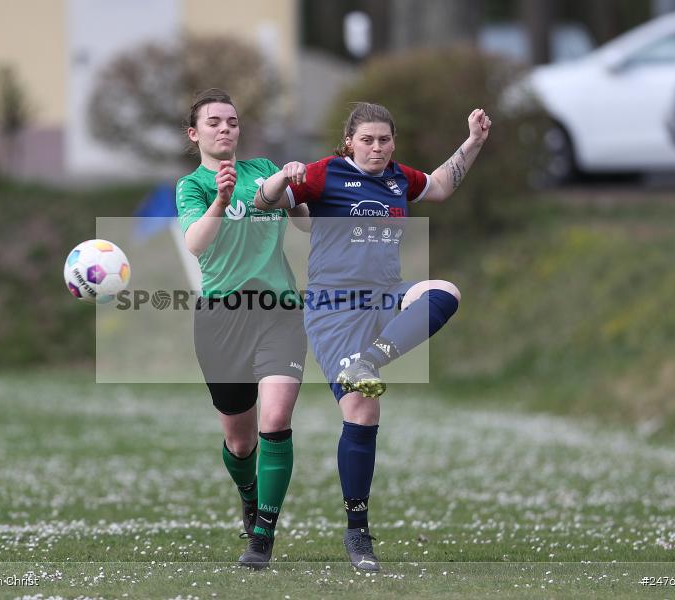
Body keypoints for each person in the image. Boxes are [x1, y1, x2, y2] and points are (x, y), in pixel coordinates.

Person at [253, 102, 491, 571]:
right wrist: (285, 176)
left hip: (385, 295)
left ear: (393, 142)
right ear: (349, 142)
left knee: (444, 291)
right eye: (367, 140)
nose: (377, 148)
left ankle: (372, 361)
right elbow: (265, 201)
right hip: (335, 308)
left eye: (384, 139)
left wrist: (475, 141)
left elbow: (440, 185)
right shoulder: (324, 174)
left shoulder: (399, 178)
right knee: (362, 409)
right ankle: (357, 533)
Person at [176, 88, 310, 570]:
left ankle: (263, 537)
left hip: (279, 310)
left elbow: (305, 226)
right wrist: (222, 202)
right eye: (213, 122)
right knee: (240, 440)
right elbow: (196, 244)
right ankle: (250, 500)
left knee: (275, 420)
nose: (225, 128)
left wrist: (295, 189)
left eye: (231, 121)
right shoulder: (191, 186)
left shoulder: (262, 172)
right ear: (195, 134)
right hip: (220, 319)